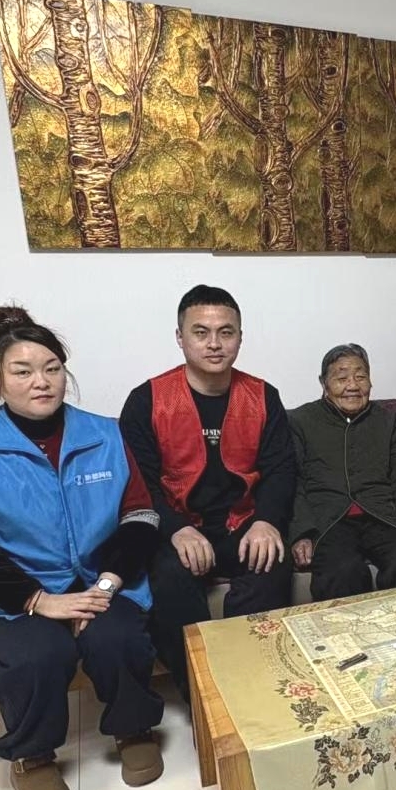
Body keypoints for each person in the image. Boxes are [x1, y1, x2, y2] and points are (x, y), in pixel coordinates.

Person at [0, 307, 165, 790]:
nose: (41, 382)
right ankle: (32, 754)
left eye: (52, 368)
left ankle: (134, 728)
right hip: (14, 590)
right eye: (22, 371)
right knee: (41, 654)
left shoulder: (105, 434)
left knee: (117, 637)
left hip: (100, 577)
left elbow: (140, 513)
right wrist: (41, 601)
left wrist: (105, 586)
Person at [120, 285, 295, 698]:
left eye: (225, 332)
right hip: (178, 525)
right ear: (180, 338)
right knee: (168, 576)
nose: (214, 343)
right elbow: (139, 482)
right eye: (201, 332)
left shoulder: (263, 396)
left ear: (240, 338)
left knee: (272, 562)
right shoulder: (147, 400)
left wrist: (266, 521)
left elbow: (281, 469)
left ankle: (250, 683)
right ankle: (203, 695)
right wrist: (176, 528)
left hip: (242, 521)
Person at [289, 344, 396, 600]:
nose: (353, 386)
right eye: (342, 378)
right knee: (343, 572)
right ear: (324, 383)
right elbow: (292, 481)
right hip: (329, 521)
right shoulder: (300, 421)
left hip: (382, 515)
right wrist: (301, 534)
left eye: (360, 376)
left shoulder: (388, 420)